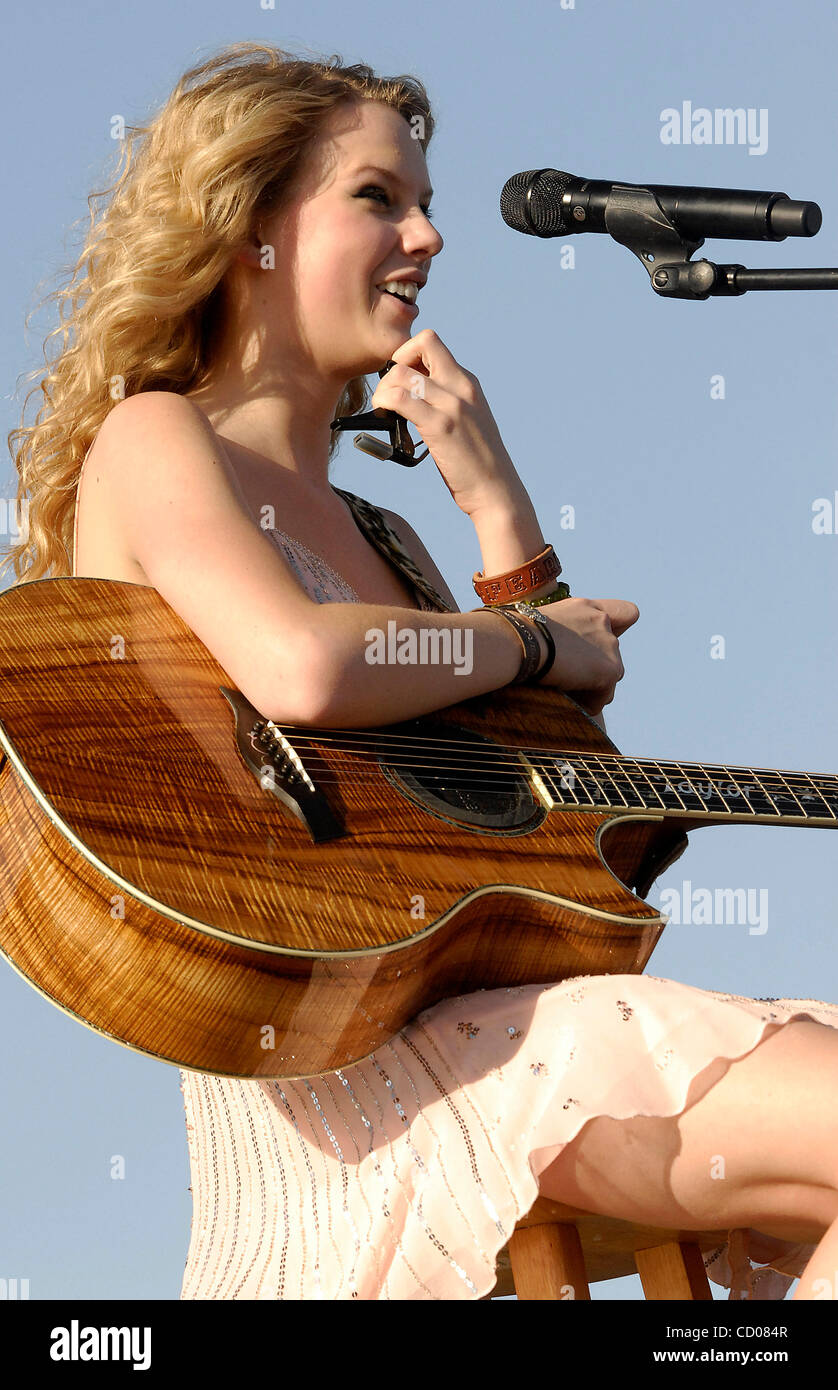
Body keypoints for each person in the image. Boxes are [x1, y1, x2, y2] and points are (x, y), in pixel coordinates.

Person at [5, 41, 838, 1302]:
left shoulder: (388, 538)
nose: (431, 236)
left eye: (425, 201)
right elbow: (297, 664)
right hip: (358, 1083)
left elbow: (561, 794)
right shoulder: (158, 437)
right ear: (249, 231)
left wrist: (499, 513)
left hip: (504, 1033)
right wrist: (536, 637)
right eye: (378, 197)